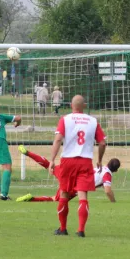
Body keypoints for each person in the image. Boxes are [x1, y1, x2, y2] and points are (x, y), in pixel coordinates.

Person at [49, 95, 107, 237]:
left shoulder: (65, 119)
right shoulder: (93, 121)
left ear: (71, 105)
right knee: (82, 195)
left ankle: (63, 228)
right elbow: (103, 143)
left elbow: (57, 140)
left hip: (67, 160)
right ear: (84, 106)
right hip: (85, 161)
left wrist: (52, 159)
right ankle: (80, 230)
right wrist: (99, 160)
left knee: (64, 193)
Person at [16, 145, 120, 203]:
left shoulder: (100, 168)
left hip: (69, 172)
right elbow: (107, 191)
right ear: (116, 170)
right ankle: (32, 199)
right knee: (56, 199)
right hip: (75, 184)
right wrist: (113, 202)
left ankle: (27, 153)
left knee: (48, 165)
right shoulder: (107, 174)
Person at [0, 113, 22, 200]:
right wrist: (17, 124)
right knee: (7, 167)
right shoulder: (0, 116)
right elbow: (18, 118)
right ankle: (4, 194)